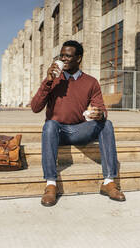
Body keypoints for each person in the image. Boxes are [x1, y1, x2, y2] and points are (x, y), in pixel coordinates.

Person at [31, 40, 125, 207]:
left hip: (79, 130)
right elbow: (35, 107)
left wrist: (99, 114)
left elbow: (101, 107)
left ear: (78, 59)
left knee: (107, 123)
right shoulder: (53, 79)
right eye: (62, 55)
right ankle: (51, 185)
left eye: (68, 56)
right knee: (50, 124)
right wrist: (47, 81)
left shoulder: (91, 82)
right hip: (57, 132)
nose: (63, 59)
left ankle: (109, 181)